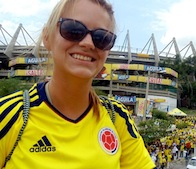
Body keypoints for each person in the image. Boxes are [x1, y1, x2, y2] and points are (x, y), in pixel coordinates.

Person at [0, 0, 155, 168]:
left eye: (101, 38)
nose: (88, 43)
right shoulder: (10, 116)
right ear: (47, 37)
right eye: (74, 30)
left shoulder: (117, 118)